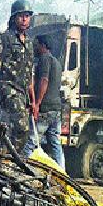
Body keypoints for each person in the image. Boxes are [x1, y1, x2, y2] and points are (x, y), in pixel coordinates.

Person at [0, 0, 35, 151]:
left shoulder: (29, 43)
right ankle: (10, 159)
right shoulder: (3, 38)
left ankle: (0, 158)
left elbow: (30, 74)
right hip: (8, 89)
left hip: (23, 94)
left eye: (27, 16)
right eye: (20, 16)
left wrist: (33, 101)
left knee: (8, 131)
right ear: (13, 18)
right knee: (22, 128)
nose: (24, 19)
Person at [23, 35, 65, 168]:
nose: (34, 48)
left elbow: (44, 80)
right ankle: (62, 173)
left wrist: (37, 103)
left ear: (43, 45)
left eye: (36, 45)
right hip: (57, 109)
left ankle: (23, 170)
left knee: (30, 142)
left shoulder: (44, 59)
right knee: (55, 143)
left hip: (45, 109)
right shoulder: (57, 62)